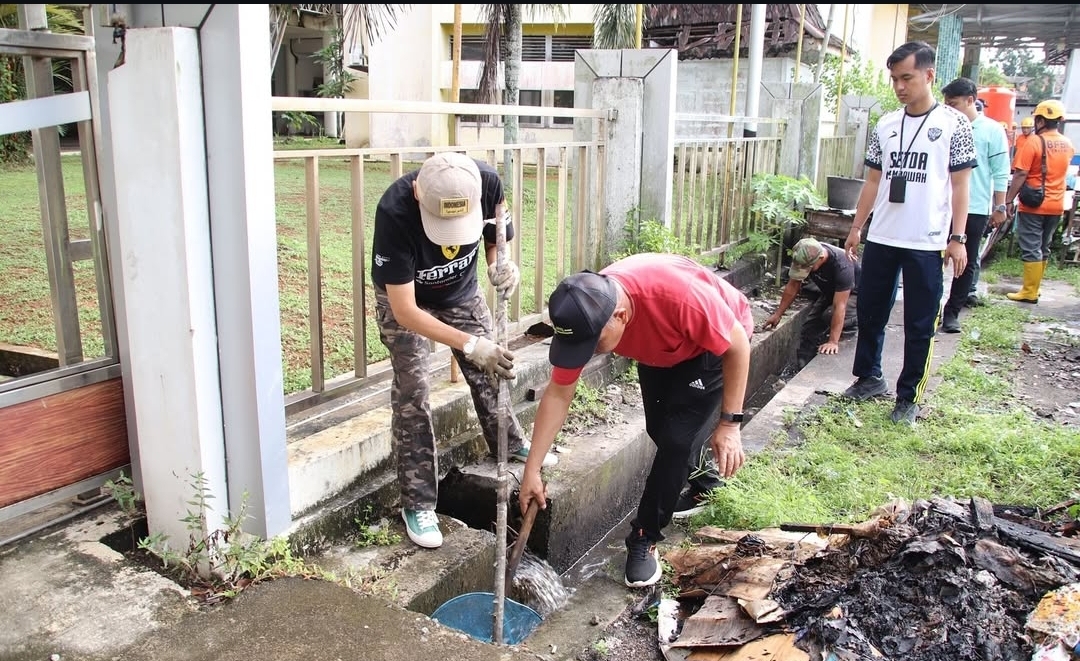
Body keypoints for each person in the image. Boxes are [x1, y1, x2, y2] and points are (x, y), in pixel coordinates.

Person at [517, 253, 753, 588]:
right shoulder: (587, 311)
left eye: (592, 346)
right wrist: (532, 469)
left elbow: (738, 346)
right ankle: (705, 484)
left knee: (675, 441)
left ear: (621, 315)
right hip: (662, 347)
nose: (586, 355)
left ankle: (644, 537)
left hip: (713, 348)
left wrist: (730, 425)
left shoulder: (679, 297)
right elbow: (558, 394)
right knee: (659, 429)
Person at [371, 151, 557, 550]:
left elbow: (496, 242)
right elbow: (405, 310)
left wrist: (499, 267)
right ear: (419, 193)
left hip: (460, 292)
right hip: (405, 299)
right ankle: (418, 502)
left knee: (493, 369)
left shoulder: (487, 184)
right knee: (413, 392)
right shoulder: (394, 211)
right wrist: (470, 344)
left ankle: (508, 444)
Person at [840, 41, 975, 426]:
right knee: (870, 312)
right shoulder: (885, 124)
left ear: (929, 75)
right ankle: (869, 378)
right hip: (883, 236)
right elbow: (872, 181)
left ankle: (908, 397)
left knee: (920, 323)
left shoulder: (954, 125)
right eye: (894, 79)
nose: (899, 86)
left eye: (907, 78)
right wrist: (856, 227)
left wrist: (958, 237)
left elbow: (960, 186)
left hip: (927, 241)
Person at [938, 77, 1011, 332]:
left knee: (964, 262)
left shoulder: (991, 130)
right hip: (942, 204)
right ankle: (931, 309)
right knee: (933, 256)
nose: (949, 109)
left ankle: (952, 313)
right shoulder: (943, 126)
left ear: (971, 101)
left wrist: (1000, 206)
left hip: (975, 206)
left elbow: (1001, 171)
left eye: (954, 104)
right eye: (946, 104)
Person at [1004, 99, 1076, 303]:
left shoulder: (1034, 142)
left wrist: (1008, 200)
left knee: (1031, 246)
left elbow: (1020, 174)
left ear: (1042, 120)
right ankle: (1036, 287)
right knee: (1044, 246)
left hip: (1034, 203)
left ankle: (1029, 291)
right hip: (1057, 204)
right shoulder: (1067, 143)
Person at [762, 237, 859, 368]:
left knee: (829, 315)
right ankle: (802, 365)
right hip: (830, 292)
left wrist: (833, 341)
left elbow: (839, 306)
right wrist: (778, 314)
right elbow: (793, 286)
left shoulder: (842, 265)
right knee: (809, 327)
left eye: (809, 268)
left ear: (821, 258)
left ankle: (849, 328)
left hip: (855, 295)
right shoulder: (804, 253)